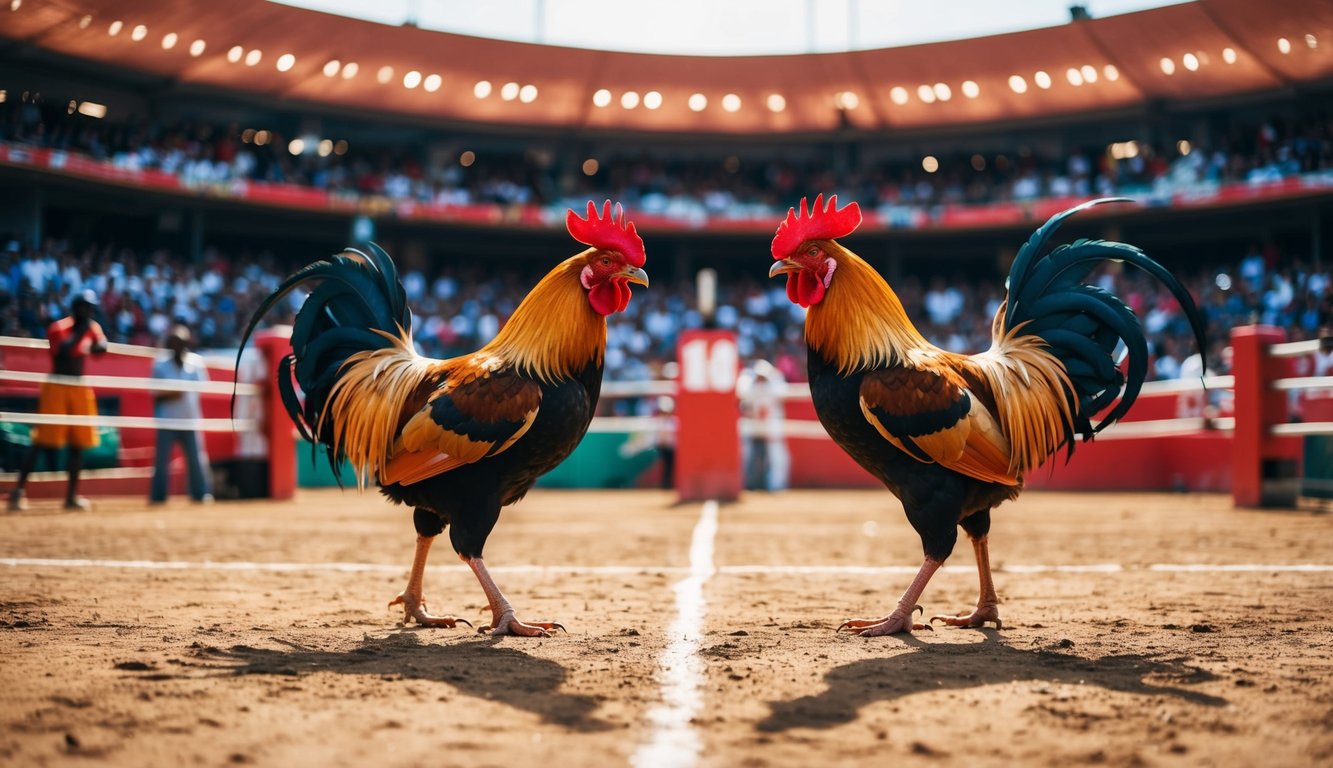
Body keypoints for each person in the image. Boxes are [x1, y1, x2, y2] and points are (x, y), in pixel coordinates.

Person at [8, 289, 108, 511]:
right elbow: (63, 352)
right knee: (42, 440)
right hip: (57, 386)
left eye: (91, 307)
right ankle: (18, 492)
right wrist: (83, 335)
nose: (89, 311)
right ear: (75, 308)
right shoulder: (59, 328)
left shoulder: (92, 327)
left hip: (79, 387)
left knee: (78, 443)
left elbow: (102, 346)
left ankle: (71, 497)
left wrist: (90, 340)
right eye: (85, 307)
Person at [149, 324, 213, 504]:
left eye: (181, 342)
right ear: (170, 343)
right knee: (161, 462)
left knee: (197, 460)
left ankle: (201, 494)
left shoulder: (196, 362)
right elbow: (155, 393)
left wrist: (174, 390)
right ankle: (158, 497)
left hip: (190, 420)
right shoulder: (159, 363)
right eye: (175, 342)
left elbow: (202, 387)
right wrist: (176, 391)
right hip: (166, 421)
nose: (178, 346)